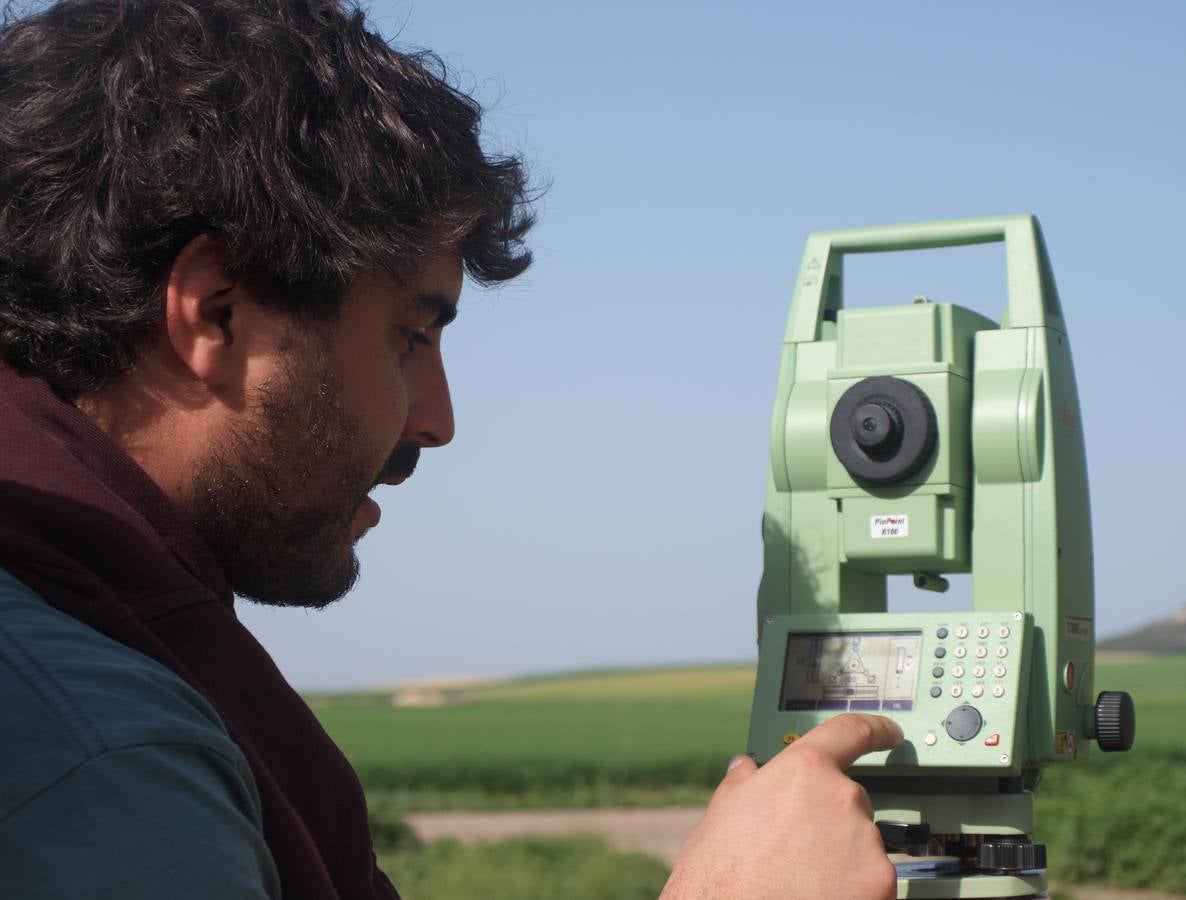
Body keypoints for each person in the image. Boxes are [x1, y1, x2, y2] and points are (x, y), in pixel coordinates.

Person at [0, 0, 902, 897]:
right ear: (217, 311)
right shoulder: (106, 759)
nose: (436, 419)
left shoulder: (62, 616)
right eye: (410, 336)